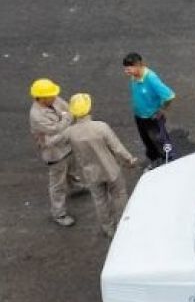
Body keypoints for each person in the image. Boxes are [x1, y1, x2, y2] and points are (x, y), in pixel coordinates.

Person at [63, 93, 140, 238]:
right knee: (119, 196)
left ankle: (108, 228)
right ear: (89, 108)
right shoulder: (100, 127)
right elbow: (117, 148)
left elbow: (61, 143)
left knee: (100, 200)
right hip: (111, 169)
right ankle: (123, 226)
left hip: (90, 173)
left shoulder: (70, 132)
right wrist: (129, 160)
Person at [28, 78, 79, 228]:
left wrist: (65, 118)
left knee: (71, 168)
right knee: (57, 184)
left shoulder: (54, 99)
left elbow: (67, 111)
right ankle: (59, 213)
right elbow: (55, 129)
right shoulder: (36, 115)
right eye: (51, 95)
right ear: (41, 98)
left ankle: (77, 186)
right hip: (54, 153)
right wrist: (67, 118)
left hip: (66, 144)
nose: (55, 97)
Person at [123, 52, 178, 165]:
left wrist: (161, 110)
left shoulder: (151, 79)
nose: (126, 71)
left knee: (160, 140)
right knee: (147, 140)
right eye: (126, 68)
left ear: (139, 65)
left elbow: (169, 95)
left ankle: (170, 160)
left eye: (129, 68)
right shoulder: (134, 76)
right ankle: (156, 160)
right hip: (140, 116)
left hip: (152, 117)